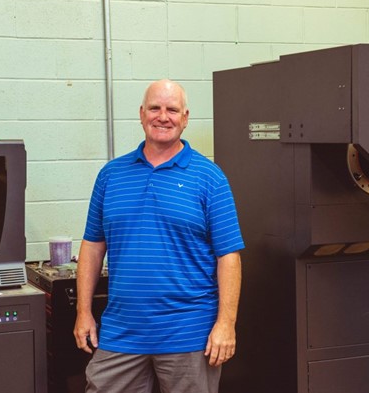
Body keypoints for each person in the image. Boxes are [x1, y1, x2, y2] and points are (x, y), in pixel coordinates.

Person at [73, 79, 244, 393]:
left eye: (172, 109)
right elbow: (93, 245)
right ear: (141, 114)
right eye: (155, 108)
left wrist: (226, 324)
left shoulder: (209, 177)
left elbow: (228, 256)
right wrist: (83, 312)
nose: (163, 116)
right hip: (122, 332)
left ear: (185, 118)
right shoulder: (111, 175)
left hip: (189, 335)